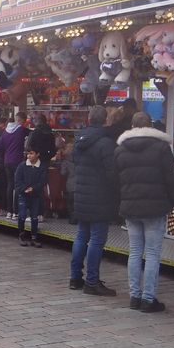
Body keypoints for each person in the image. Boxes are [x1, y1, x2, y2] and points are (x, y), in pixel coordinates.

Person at [114, 112, 174, 313]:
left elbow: (115, 180)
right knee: (153, 253)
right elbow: (171, 179)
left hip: (130, 207)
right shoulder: (161, 148)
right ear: (151, 125)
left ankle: (134, 296)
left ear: (131, 126)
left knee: (135, 252)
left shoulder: (120, 150)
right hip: (155, 208)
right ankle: (148, 299)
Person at [69, 106, 119, 296]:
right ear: (106, 120)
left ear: (89, 119)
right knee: (97, 240)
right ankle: (92, 281)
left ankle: (75, 278)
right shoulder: (106, 143)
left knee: (82, 236)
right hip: (100, 197)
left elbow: (75, 163)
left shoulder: (79, 140)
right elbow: (112, 173)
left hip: (81, 194)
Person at [0, 112, 28, 219]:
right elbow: (30, 136)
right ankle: (16, 212)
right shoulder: (21, 130)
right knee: (18, 186)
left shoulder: (5, 132)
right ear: (20, 120)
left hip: (7, 162)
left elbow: (0, 147)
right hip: (17, 161)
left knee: (10, 185)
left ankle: (9, 211)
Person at [14, 148, 47, 248]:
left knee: (34, 217)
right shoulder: (22, 166)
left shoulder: (41, 167)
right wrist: (24, 189)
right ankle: (21, 236)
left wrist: (33, 188)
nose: (29, 156)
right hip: (23, 194)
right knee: (22, 215)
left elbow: (42, 181)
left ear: (38, 154)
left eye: (31, 153)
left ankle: (34, 237)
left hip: (35, 195)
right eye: (28, 154)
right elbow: (17, 180)